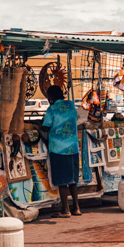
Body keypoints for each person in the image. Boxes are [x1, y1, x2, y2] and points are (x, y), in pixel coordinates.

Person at [40, 85, 81, 217]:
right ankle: (76, 208)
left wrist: (39, 126)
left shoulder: (52, 109)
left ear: (51, 98)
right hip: (73, 147)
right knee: (73, 179)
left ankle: (66, 210)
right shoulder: (70, 105)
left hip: (58, 149)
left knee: (62, 181)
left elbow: (46, 127)